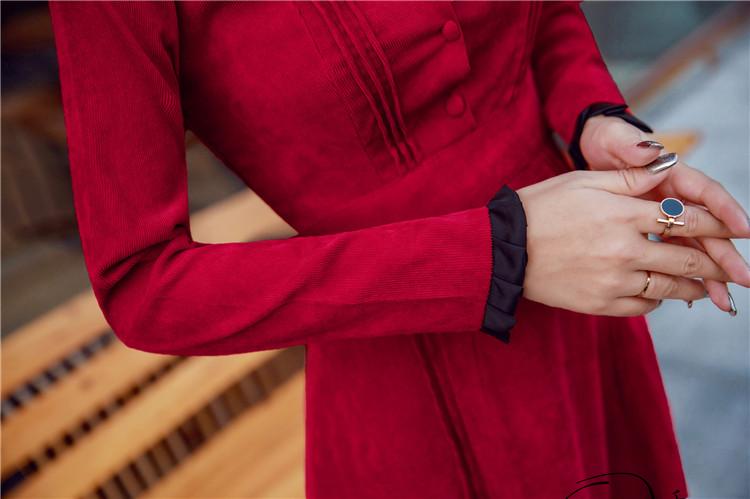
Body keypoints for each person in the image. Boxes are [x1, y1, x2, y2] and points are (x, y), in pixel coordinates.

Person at [48, 1, 749, 497]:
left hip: (586, 319)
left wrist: (594, 113)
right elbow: (142, 284)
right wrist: (502, 251)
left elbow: (545, 18)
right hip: (417, 388)